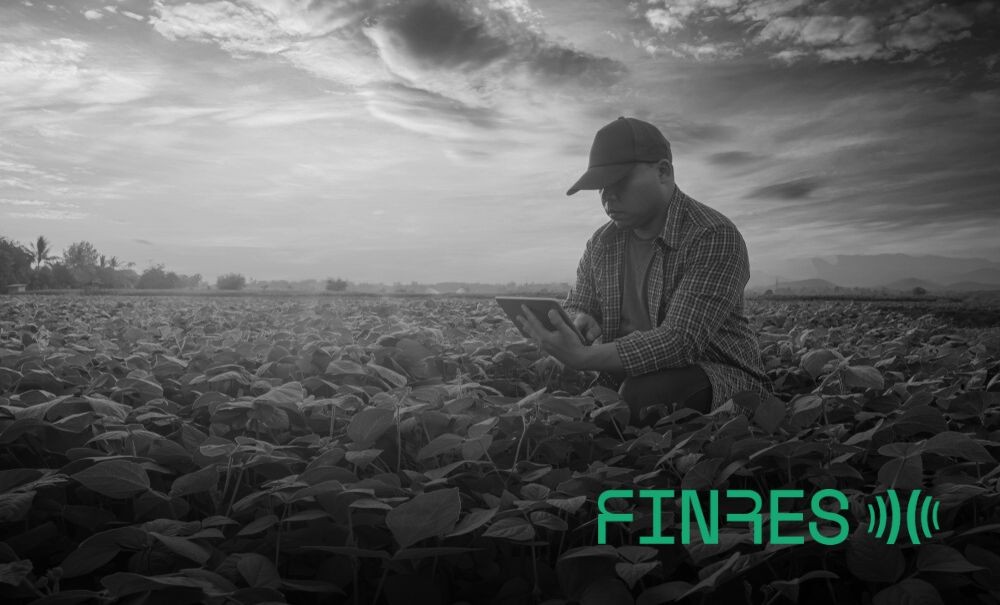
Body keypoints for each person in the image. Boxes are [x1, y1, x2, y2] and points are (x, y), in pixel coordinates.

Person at [516, 116, 773, 426]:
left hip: (716, 374)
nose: (608, 196)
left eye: (619, 181)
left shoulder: (713, 235)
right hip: (627, 374)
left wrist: (583, 357)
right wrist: (580, 319)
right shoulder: (601, 243)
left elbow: (680, 341)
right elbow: (579, 303)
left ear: (663, 172)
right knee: (560, 405)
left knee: (641, 397)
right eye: (601, 186)